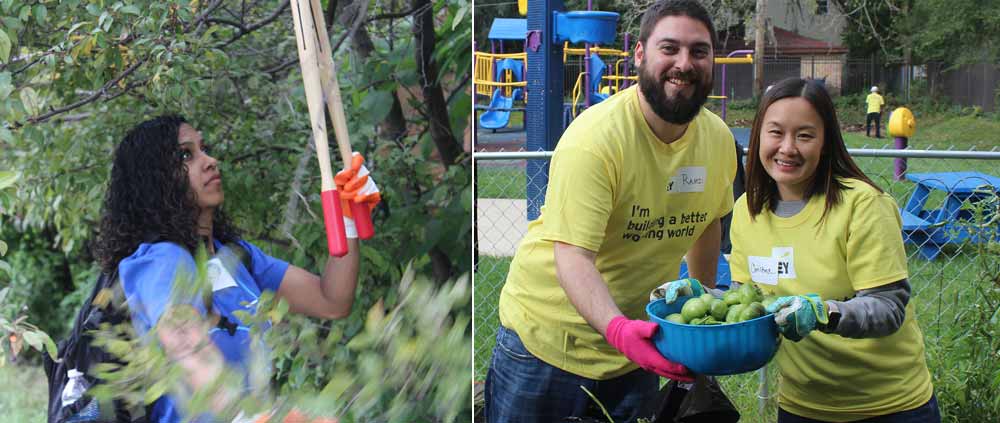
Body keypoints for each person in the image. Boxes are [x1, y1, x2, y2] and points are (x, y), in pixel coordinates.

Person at [483, 1, 737, 421]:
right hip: (548, 346)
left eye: (699, 51)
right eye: (669, 48)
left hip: (639, 347)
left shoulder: (718, 140)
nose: (684, 64)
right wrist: (620, 331)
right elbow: (573, 256)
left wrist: (700, 313)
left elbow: (708, 222)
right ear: (640, 55)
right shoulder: (597, 139)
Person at [93, 115, 380, 422]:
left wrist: (348, 219)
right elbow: (186, 345)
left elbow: (332, 300)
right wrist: (246, 416)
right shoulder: (162, 260)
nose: (210, 161)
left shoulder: (237, 257)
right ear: (154, 180)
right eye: (186, 155)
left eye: (204, 149)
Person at [727, 77, 939, 422]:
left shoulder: (864, 205)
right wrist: (705, 298)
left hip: (889, 406)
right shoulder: (746, 211)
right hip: (801, 405)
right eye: (776, 132)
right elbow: (745, 297)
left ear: (825, 143)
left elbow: (888, 307)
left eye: (805, 135)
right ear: (758, 137)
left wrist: (824, 312)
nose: (788, 147)